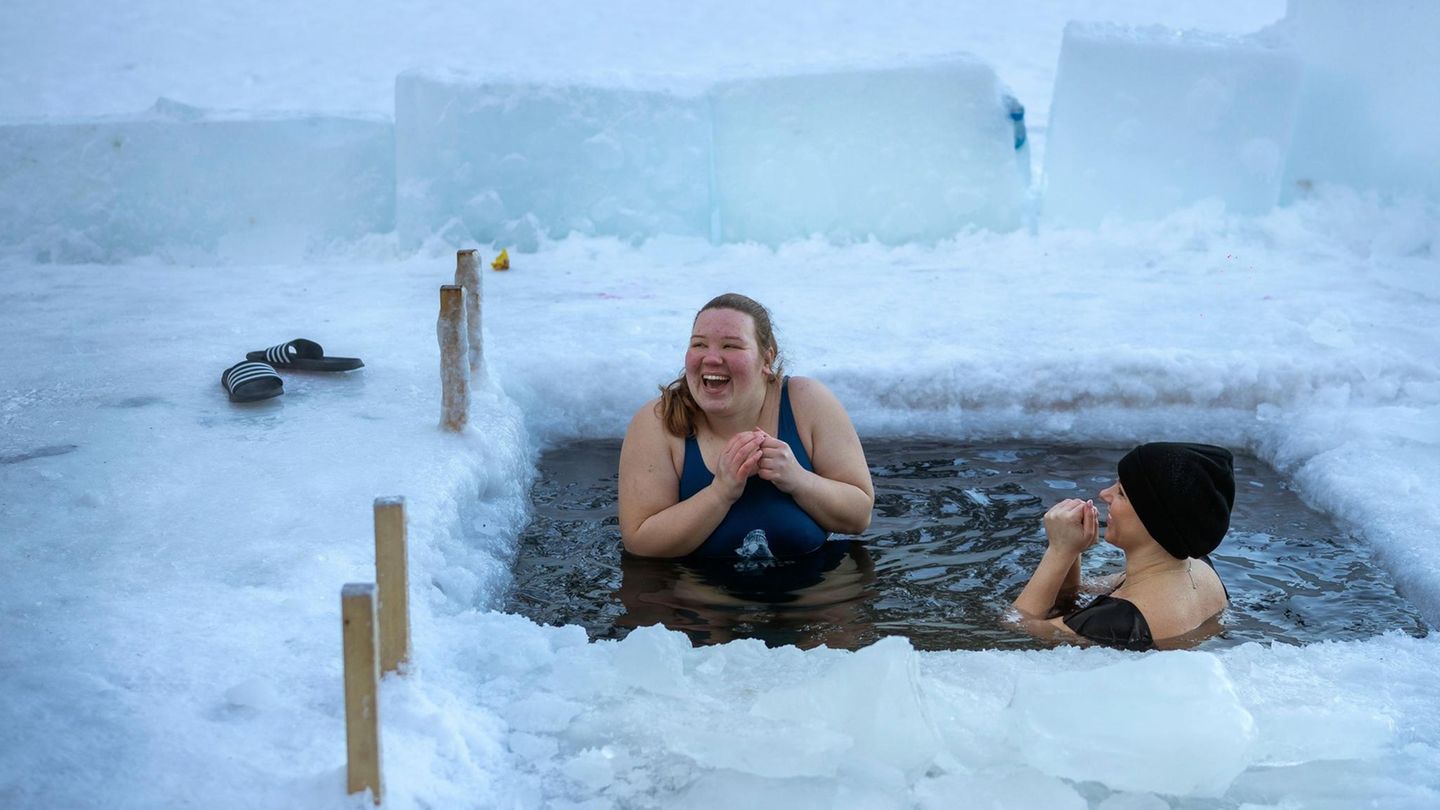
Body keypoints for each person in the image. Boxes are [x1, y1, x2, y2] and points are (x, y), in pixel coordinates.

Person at [618, 293, 874, 558]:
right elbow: (640, 541)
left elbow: (859, 516)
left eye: (731, 346)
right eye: (699, 345)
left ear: (766, 359)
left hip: (813, 589)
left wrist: (798, 479)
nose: (712, 358)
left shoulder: (807, 402)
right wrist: (720, 493)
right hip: (696, 593)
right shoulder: (658, 420)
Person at [1012, 442, 1235, 650]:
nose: (1104, 494)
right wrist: (1072, 550)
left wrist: (1058, 550)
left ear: (1153, 519)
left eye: (1121, 493)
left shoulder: (1121, 621)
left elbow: (1018, 626)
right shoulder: (1201, 568)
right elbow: (1076, 595)